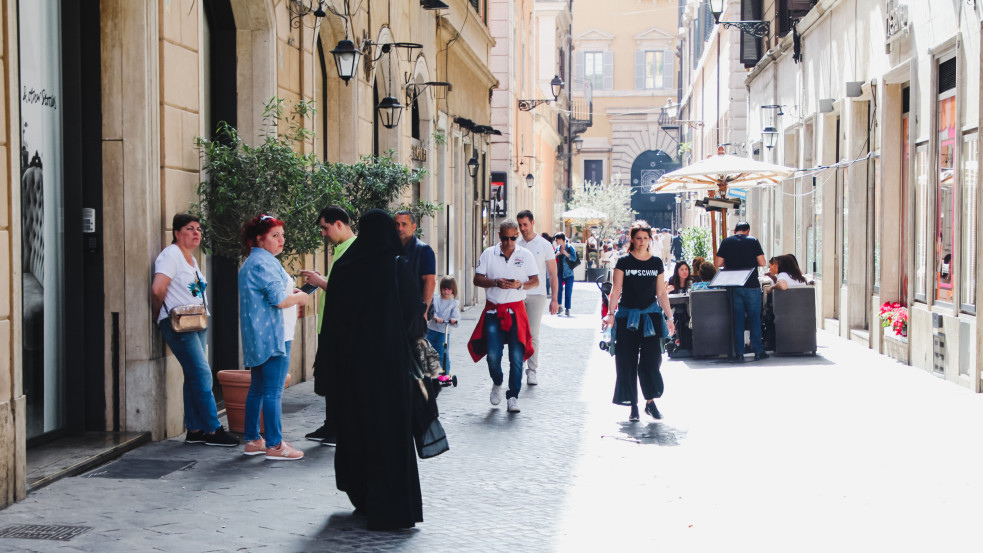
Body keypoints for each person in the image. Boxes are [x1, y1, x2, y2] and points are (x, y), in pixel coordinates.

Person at [315, 209, 424, 530]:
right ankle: (390, 505)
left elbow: (332, 322)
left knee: (358, 429)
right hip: (389, 369)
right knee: (389, 433)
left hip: (352, 370)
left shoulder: (345, 267)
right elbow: (412, 318)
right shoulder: (396, 264)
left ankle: (362, 495)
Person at [152, 213, 239, 447]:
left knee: (193, 376)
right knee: (202, 374)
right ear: (177, 233)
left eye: (199, 229)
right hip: (179, 324)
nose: (196, 233)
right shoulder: (170, 256)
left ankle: (194, 429)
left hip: (196, 322)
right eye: (190, 229)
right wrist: (158, 315)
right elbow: (158, 289)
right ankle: (213, 429)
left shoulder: (189, 258)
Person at [238, 215, 311, 460]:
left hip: (260, 335)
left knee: (258, 388)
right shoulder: (265, 263)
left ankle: (253, 440)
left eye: (282, 235)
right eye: (275, 235)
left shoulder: (254, 262)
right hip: (273, 336)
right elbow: (278, 300)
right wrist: (300, 298)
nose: (281, 240)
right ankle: (275, 445)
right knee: (272, 390)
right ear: (260, 238)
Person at [602, 223, 675, 422]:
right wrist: (610, 313)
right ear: (632, 239)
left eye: (645, 238)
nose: (642, 241)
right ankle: (633, 405)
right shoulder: (623, 262)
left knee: (651, 361)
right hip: (627, 318)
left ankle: (650, 402)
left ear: (649, 239)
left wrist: (669, 318)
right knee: (627, 362)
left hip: (651, 318)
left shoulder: (656, 263)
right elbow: (616, 290)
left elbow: (661, 293)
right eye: (638, 238)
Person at [299, 205, 356, 446]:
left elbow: (347, 290)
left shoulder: (352, 250)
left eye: (325, 227)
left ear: (340, 224)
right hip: (330, 326)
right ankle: (331, 425)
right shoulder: (342, 249)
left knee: (337, 380)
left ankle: (336, 428)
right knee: (332, 380)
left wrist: (320, 281)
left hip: (339, 329)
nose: (323, 233)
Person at [469, 220, 539, 413]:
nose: (509, 242)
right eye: (505, 238)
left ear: (517, 235)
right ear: (499, 236)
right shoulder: (488, 254)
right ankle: (497, 382)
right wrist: (495, 282)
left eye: (513, 238)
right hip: (494, 311)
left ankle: (513, 396)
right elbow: (477, 278)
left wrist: (520, 285)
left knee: (517, 357)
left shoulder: (525, 255)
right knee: (493, 355)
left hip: (516, 311)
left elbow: (535, 280)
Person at [517, 210, 559, 386]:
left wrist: (555, 299)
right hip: (517, 295)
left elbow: (552, 273)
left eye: (525, 224)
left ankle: (532, 371)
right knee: (518, 334)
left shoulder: (544, 245)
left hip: (537, 295)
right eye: (520, 225)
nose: (522, 228)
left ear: (533, 223)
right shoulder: (515, 243)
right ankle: (518, 368)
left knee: (533, 333)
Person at [714, 221, 768, 361]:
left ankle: (739, 353)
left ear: (734, 230)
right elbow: (762, 262)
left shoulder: (726, 242)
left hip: (734, 286)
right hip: (752, 285)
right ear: (747, 230)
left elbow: (718, 263)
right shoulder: (753, 240)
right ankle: (758, 351)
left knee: (737, 320)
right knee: (754, 319)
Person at [395, 210, 437, 313]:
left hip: (414, 311)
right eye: (397, 224)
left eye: (404, 224)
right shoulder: (391, 249)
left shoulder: (423, 250)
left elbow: (430, 281)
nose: (400, 228)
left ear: (413, 227)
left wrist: (424, 311)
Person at [427, 277, 461, 375]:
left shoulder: (453, 304)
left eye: (449, 289)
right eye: (444, 289)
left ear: (453, 290)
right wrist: (435, 317)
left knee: (442, 353)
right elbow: (431, 310)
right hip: (432, 329)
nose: (446, 291)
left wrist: (454, 320)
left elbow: (456, 316)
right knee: (429, 352)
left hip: (444, 332)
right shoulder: (435, 299)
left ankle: (446, 373)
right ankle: (431, 372)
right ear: (441, 288)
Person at [666, 261, 694, 351]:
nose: (685, 271)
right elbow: (666, 295)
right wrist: (668, 290)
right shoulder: (672, 280)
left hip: (687, 307)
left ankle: (692, 322)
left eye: (686, 269)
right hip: (674, 307)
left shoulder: (691, 281)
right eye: (682, 269)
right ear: (677, 271)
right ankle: (672, 330)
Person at [554, 232, 579, 316]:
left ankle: (567, 308)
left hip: (569, 273)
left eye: (557, 240)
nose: (556, 241)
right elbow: (554, 257)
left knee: (568, 291)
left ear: (561, 239)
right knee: (559, 289)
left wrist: (565, 253)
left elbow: (574, 258)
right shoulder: (558, 248)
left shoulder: (570, 247)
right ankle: (560, 306)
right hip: (560, 271)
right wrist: (557, 254)